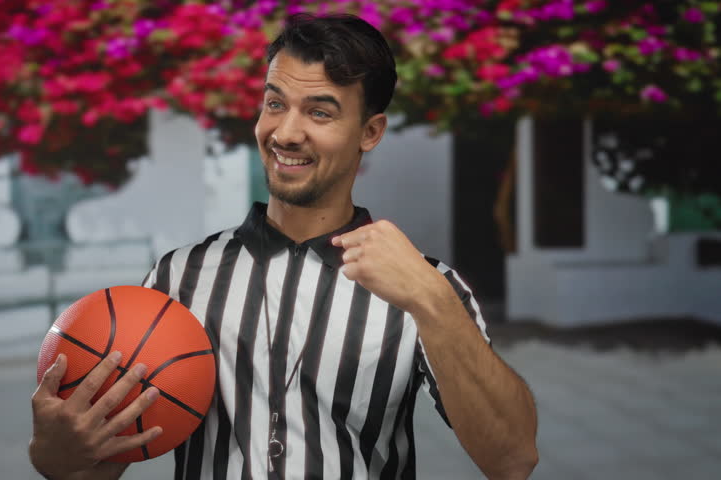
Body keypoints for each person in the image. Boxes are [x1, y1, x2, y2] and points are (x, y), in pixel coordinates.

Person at [30, 13, 538, 480]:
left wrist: (431, 300)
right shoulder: (178, 275)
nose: (285, 133)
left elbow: (512, 459)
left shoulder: (427, 286)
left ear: (370, 131)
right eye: (275, 103)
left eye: (320, 112)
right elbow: (104, 459)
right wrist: (54, 455)